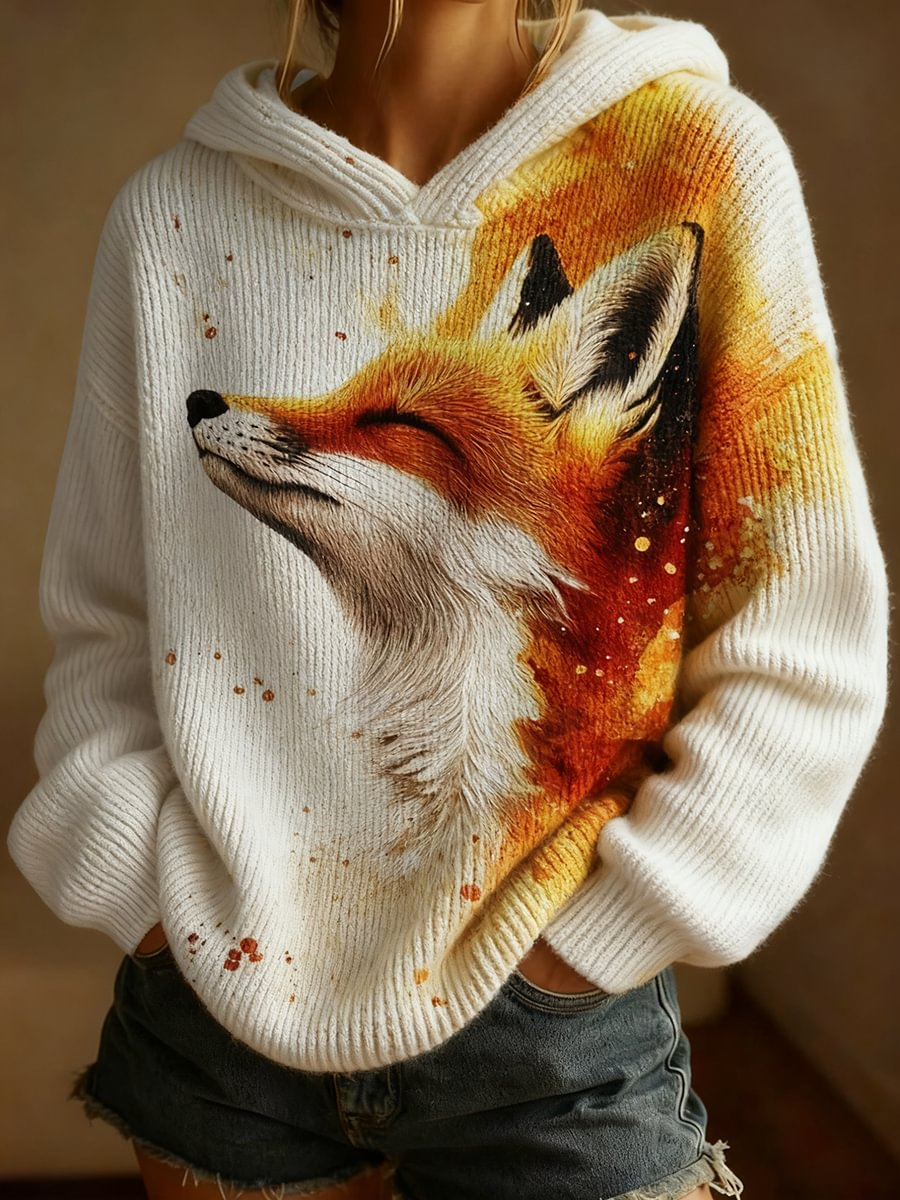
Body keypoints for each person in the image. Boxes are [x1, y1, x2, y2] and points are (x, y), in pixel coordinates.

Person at [6, 0, 889, 1197]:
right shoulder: (173, 217)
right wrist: (151, 907)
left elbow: (802, 636)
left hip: (552, 1037)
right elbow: (111, 627)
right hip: (218, 1023)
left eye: (388, 425)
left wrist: (598, 945)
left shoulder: (692, 162)